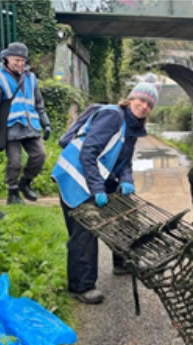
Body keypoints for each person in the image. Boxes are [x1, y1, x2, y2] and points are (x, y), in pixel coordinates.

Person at [51, 81, 159, 304]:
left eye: (149, 104)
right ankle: (81, 287)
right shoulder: (113, 117)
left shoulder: (132, 127)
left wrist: (127, 180)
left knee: (127, 213)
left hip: (95, 176)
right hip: (76, 176)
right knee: (86, 227)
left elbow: (124, 162)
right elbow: (88, 153)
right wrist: (98, 189)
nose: (144, 106)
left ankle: (123, 262)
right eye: (141, 100)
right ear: (130, 99)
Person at [0, 42, 52, 204]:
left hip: (31, 124)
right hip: (11, 127)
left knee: (40, 155)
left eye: (23, 61)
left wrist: (46, 123)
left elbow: (39, 103)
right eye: (16, 60)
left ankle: (25, 183)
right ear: (7, 59)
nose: (20, 64)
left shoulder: (31, 78)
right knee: (15, 162)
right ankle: (13, 193)